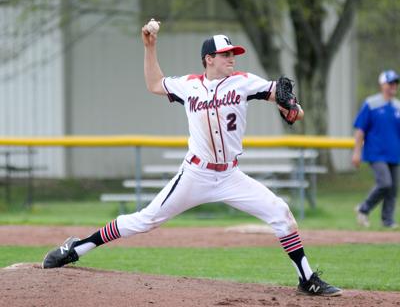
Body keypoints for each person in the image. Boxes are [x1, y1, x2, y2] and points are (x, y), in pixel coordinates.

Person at [42, 21, 342, 297]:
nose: (231, 58)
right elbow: (155, 84)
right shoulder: (188, 86)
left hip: (230, 176)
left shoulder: (244, 82)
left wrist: (292, 108)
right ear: (208, 59)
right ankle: (77, 248)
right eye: (225, 54)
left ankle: (306, 278)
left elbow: (284, 98)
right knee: (146, 219)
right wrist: (149, 47)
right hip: (195, 175)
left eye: (232, 54)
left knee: (281, 213)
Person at [352, 70, 400, 229]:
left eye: (396, 83)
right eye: (391, 83)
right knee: (385, 183)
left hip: (394, 153)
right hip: (376, 153)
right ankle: (363, 208)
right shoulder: (371, 103)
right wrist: (357, 152)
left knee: (393, 188)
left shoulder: (397, 106)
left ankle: (387, 221)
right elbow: (360, 130)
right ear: (382, 85)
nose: (394, 86)